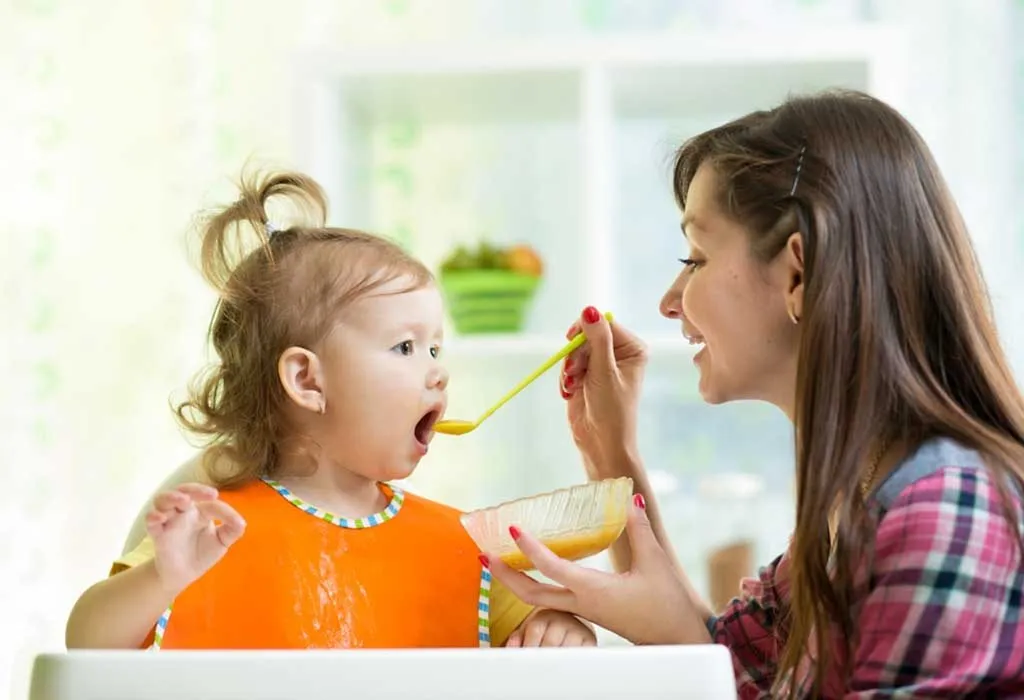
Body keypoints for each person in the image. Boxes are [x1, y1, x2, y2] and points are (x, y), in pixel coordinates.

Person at [485, 90, 1024, 698]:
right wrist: (611, 454)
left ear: (798, 274)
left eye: (696, 257)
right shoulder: (856, 501)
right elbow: (725, 668)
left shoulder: (943, 509)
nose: (669, 301)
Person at [65, 170, 594, 651]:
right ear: (306, 380)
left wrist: (564, 629)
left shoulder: (463, 547)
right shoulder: (213, 531)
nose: (438, 371)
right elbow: (88, 645)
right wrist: (163, 577)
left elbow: (547, 638)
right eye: (405, 348)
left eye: (436, 348)